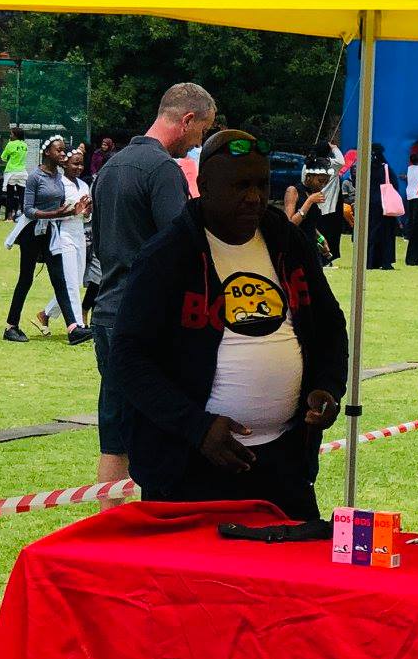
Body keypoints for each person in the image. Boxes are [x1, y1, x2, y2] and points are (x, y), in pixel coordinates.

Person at [108, 129, 345, 517]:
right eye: (239, 185)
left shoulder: (286, 241)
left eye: (261, 184)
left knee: (292, 556)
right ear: (204, 187)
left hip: (284, 464)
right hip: (190, 467)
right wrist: (196, 427)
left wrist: (328, 386)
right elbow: (128, 358)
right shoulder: (168, 254)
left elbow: (330, 324)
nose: (254, 197)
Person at [88, 81, 216, 492]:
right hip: (148, 321)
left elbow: (100, 244)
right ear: (187, 120)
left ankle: (111, 520)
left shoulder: (110, 167)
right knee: (159, 427)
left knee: (114, 431)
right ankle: (155, 518)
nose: (198, 143)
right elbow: (179, 247)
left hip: (108, 312)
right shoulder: (163, 170)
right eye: (201, 132)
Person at [5, 136, 90, 346]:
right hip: (31, 232)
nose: (62, 153)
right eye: (58, 150)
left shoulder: (58, 177)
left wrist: (76, 210)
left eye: (63, 150)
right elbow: (28, 210)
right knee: (26, 278)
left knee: (59, 279)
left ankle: (73, 329)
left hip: (50, 232)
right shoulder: (35, 177)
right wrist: (56, 214)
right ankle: (10, 326)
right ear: (47, 153)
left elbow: (61, 207)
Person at [36, 145, 93, 335]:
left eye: (81, 164)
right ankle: (77, 325)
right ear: (65, 164)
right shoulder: (58, 184)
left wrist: (87, 212)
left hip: (79, 234)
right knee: (70, 282)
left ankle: (46, 313)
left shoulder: (83, 185)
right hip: (62, 235)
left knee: (75, 282)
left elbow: (85, 217)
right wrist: (73, 211)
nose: (79, 168)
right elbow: (54, 212)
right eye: (75, 164)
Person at [367, 141, 399, 270]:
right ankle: (385, 261)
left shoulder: (366, 168)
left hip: (370, 205)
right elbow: (394, 184)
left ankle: (370, 260)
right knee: (386, 234)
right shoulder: (385, 168)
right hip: (385, 205)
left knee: (371, 232)